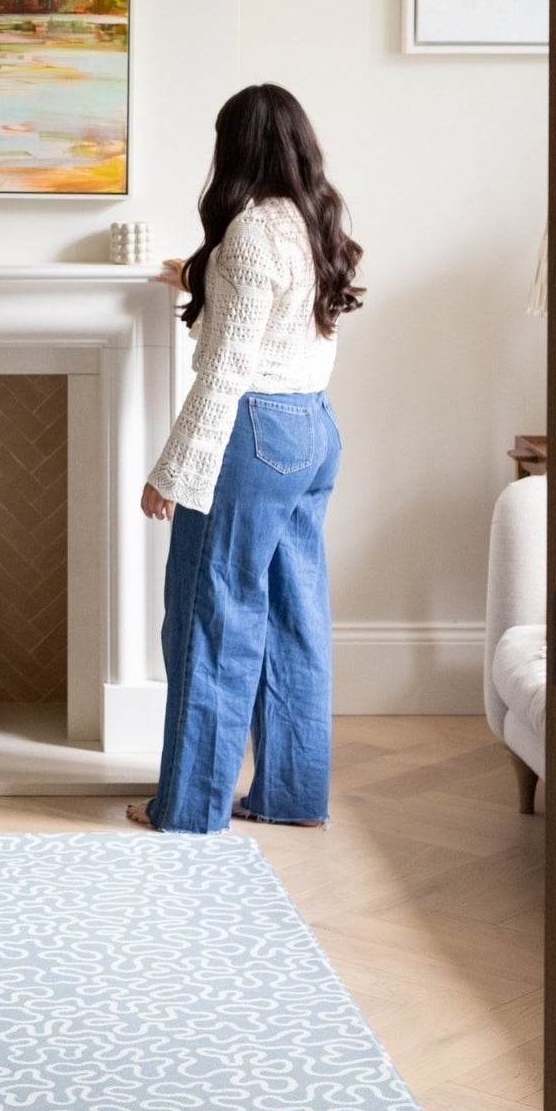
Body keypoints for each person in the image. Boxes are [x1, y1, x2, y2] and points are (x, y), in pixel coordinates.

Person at [126, 84, 364, 835]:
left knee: (210, 615)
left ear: (235, 148)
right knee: (295, 617)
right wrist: (198, 276)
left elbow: (227, 368)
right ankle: (291, 796)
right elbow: (276, 320)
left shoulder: (251, 235)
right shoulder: (311, 220)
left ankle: (189, 807)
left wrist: (172, 470)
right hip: (311, 431)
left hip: (252, 435)